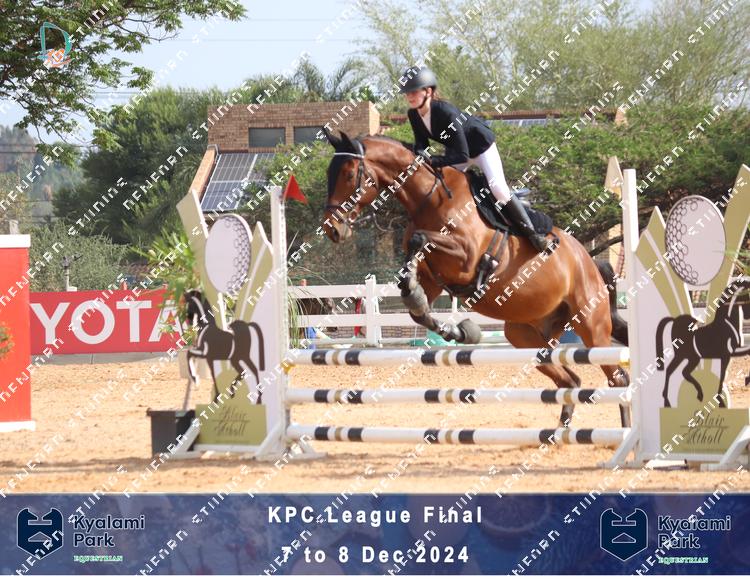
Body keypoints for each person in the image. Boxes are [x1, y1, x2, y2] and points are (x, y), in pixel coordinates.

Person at [400, 66, 549, 253]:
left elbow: (462, 155)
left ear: (428, 91)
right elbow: (422, 143)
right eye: (407, 93)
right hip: (456, 151)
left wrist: (434, 160)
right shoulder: (413, 114)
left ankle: (534, 234)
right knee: (443, 187)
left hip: (480, 148)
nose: (409, 96)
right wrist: (420, 153)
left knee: (498, 189)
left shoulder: (445, 112)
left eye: (413, 92)